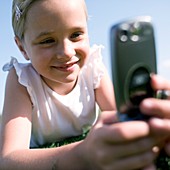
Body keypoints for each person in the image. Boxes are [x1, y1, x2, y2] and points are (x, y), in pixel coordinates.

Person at [0, 0, 170, 169]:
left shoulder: (92, 67)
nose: (67, 52)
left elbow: (119, 117)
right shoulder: (22, 79)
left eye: (75, 35)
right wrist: (80, 156)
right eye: (47, 40)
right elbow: (9, 159)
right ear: (22, 47)